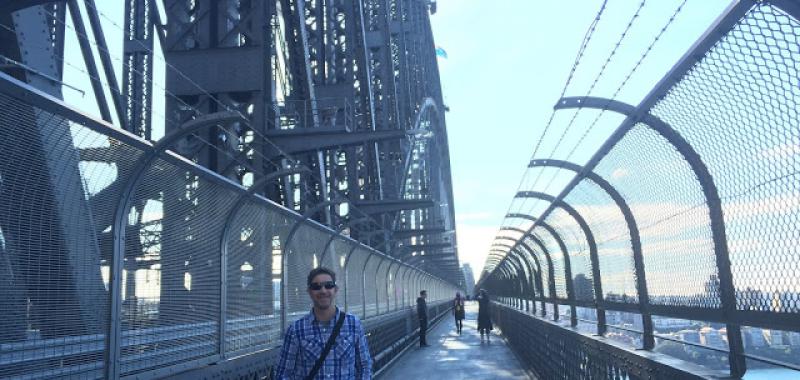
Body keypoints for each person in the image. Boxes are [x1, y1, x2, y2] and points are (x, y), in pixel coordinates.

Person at [275, 267, 372, 379]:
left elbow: (364, 366)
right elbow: (283, 373)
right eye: (316, 287)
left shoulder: (353, 324)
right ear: (309, 292)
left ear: (335, 289)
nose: (323, 291)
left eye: (328, 285)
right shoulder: (296, 330)